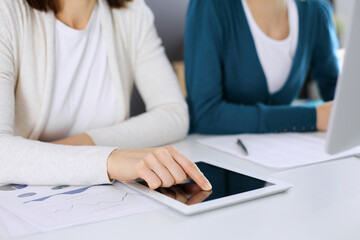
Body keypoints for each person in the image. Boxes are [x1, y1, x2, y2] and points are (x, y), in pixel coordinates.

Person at [0, 0, 212, 191]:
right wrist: (111, 159)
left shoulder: (132, 12)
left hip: (103, 197)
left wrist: (85, 142)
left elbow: (174, 114)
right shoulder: (8, 12)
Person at [185, 0, 339, 134]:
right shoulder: (210, 5)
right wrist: (311, 117)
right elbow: (206, 115)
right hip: (213, 156)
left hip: (281, 154)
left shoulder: (316, 12)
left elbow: (336, 91)